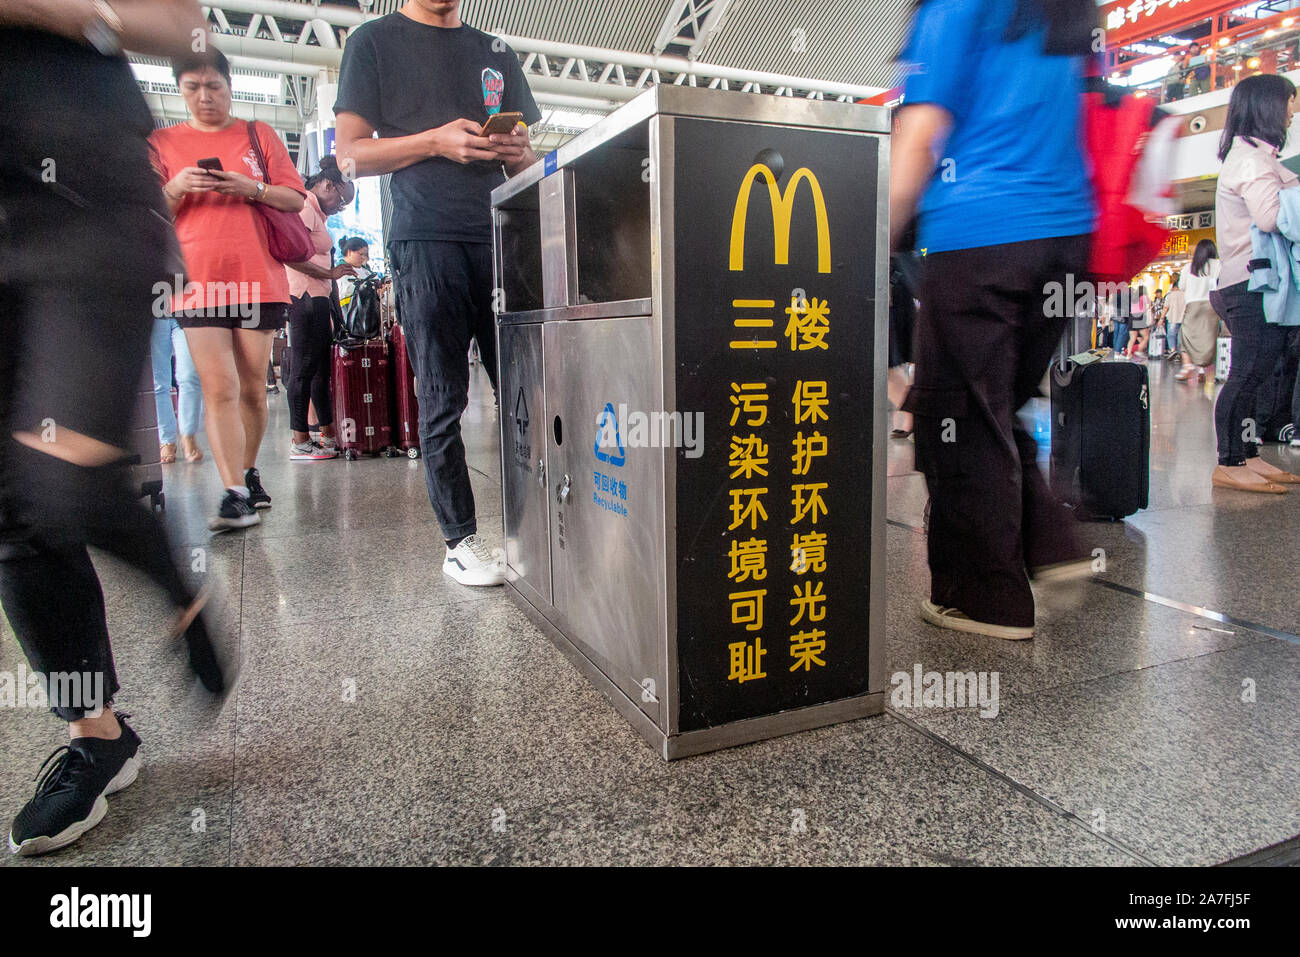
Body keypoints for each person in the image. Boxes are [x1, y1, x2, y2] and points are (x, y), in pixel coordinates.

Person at [1, 0, 231, 857]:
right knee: (10, 511)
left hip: (79, 194)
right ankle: (97, 732)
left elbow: (184, 25)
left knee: (66, 476)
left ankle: (184, 582)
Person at [892, 0, 1096, 641]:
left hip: (981, 235)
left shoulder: (955, 6)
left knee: (954, 417)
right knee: (996, 405)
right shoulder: (1062, 13)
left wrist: (870, 241)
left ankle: (982, 598)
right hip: (1065, 239)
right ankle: (1049, 543)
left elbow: (923, 128)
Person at [334, 0, 541, 586]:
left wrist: (517, 153)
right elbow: (348, 155)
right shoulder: (372, 42)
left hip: (502, 234)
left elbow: (524, 157)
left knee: (526, 391)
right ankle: (459, 542)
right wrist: (434, 142)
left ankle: (538, 530)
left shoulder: (494, 51)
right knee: (443, 393)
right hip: (424, 238)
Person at [149, 50, 307, 531]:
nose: (204, 95)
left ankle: (249, 469)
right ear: (180, 90)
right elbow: (145, 212)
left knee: (253, 390)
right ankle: (234, 492)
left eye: (213, 85)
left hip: (258, 277)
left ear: (229, 85)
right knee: (219, 386)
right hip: (196, 282)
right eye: (193, 87)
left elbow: (295, 197)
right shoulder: (161, 142)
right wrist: (175, 188)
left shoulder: (259, 135)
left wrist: (250, 187)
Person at [1211, 73, 1300, 493]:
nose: (1293, 109)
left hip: (1258, 282)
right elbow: (1268, 216)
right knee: (1247, 372)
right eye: (1290, 101)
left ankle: (1246, 454)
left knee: (1262, 370)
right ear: (1268, 105)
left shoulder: (1260, 156)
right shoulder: (1249, 159)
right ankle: (1228, 462)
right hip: (1247, 283)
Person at [283, 156, 356, 461]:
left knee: (319, 370)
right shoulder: (304, 207)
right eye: (341, 199)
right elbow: (288, 253)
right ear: (328, 184)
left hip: (318, 297)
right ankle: (299, 439)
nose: (340, 207)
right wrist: (329, 275)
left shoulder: (317, 213)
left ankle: (326, 433)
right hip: (304, 297)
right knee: (303, 368)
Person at [151, 314, 203, 463]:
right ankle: (166, 440)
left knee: (189, 376)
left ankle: (188, 435)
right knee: (158, 382)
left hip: (185, 310)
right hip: (155, 310)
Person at [1176, 239, 1220, 381]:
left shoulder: (1189, 267)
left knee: (1186, 335)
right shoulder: (1218, 264)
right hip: (1211, 305)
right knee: (1208, 338)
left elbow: (1182, 286)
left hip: (1193, 304)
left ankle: (1188, 365)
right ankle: (1203, 370)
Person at [1164, 272, 1186, 363]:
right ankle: (1179, 354)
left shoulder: (1170, 294)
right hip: (1183, 317)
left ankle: (1173, 351)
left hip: (1173, 317)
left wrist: (1161, 318)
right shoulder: (1185, 294)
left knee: (1171, 335)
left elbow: (1166, 307)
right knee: (1180, 336)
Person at [1127, 284, 1150, 360]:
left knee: (1132, 338)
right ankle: (1139, 350)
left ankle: (1129, 354)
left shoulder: (1134, 298)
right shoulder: (1144, 297)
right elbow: (1149, 306)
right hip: (1140, 317)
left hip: (1131, 317)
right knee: (1146, 337)